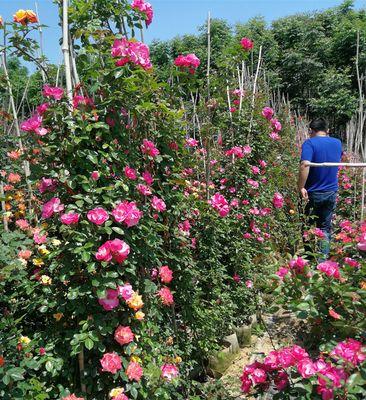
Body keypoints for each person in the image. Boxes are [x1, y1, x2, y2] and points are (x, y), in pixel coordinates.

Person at [298, 118, 342, 257]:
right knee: (324, 228)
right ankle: (323, 262)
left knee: (307, 226)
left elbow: (304, 165)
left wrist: (300, 187)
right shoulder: (337, 143)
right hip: (331, 191)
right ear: (327, 130)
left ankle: (309, 259)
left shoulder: (309, 143)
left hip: (313, 192)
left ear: (311, 130)